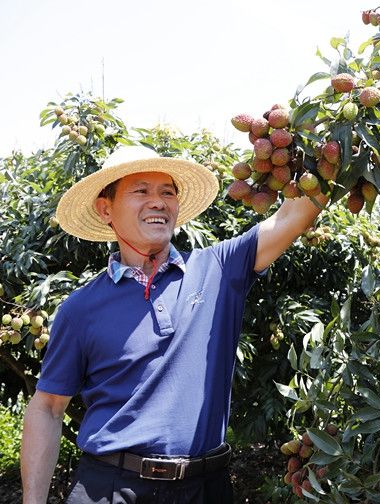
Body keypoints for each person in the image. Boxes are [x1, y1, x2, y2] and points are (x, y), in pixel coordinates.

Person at [20, 145, 328, 503]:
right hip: (112, 488)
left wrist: (327, 141)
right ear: (106, 209)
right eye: (141, 191)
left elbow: (293, 215)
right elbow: (47, 407)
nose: (158, 201)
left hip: (205, 487)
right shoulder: (80, 307)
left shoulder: (219, 268)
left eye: (167, 192)